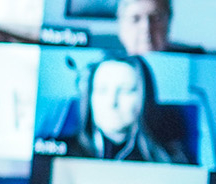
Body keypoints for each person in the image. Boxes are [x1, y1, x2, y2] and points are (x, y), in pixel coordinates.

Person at [63, 56, 191, 163]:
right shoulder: (62, 150)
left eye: (126, 91)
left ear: (144, 97)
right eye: (102, 90)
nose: (112, 102)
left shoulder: (170, 159)